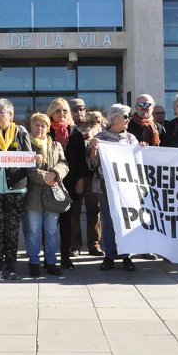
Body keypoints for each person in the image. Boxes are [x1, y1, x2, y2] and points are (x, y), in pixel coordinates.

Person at [0, 98, 32, 281]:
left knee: (11, 230)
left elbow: (28, 158)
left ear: (11, 114)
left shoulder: (21, 132)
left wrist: (36, 160)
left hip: (16, 188)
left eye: (1, 112)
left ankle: (11, 268)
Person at [90, 104, 140, 271]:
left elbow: (138, 162)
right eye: (125, 116)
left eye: (128, 117)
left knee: (126, 220)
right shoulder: (100, 137)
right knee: (108, 220)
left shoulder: (132, 138)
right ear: (114, 118)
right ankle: (110, 255)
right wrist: (94, 148)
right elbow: (92, 164)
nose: (128, 120)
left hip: (126, 186)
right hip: (106, 186)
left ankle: (127, 255)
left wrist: (143, 150)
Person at [23, 112, 69, 277]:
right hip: (33, 196)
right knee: (34, 231)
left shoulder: (56, 145)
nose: (40, 128)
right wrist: (45, 178)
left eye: (43, 125)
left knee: (50, 231)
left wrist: (55, 173)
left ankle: (51, 262)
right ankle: (34, 262)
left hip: (52, 196)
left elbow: (64, 163)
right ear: (31, 125)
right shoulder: (25, 144)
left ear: (48, 128)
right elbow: (27, 169)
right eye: (37, 124)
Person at [46, 98, 87, 267]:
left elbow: (81, 159)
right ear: (51, 113)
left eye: (64, 111)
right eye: (58, 110)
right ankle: (48, 257)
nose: (62, 114)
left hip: (71, 182)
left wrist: (81, 180)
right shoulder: (46, 131)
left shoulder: (74, 132)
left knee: (67, 221)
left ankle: (65, 256)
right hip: (49, 182)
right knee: (48, 223)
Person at [69, 98, 102, 258]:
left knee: (94, 210)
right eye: (75, 110)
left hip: (92, 175)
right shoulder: (67, 128)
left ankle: (94, 244)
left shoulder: (96, 125)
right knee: (73, 211)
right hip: (73, 175)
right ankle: (75, 245)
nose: (79, 112)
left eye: (81, 109)